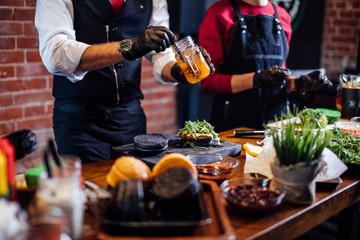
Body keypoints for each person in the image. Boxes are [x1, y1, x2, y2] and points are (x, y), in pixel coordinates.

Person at [35, 0, 214, 163]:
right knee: (94, 191)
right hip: (79, 121)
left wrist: (177, 72)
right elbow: (56, 53)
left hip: (130, 117)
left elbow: (162, 54)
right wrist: (130, 47)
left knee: (137, 185)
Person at [198, 0, 331, 131]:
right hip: (233, 125)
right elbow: (208, 82)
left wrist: (299, 83)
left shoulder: (282, 15)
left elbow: (278, 80)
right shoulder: (220, 13)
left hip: (277, 123)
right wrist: (256, 79)